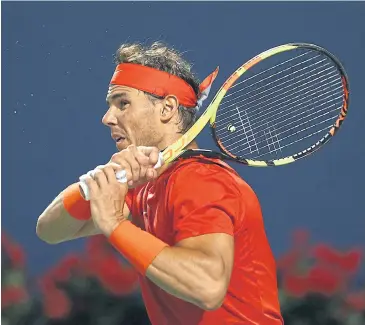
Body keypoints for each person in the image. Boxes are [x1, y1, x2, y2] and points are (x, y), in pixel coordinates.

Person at [36, 41, 284, 325]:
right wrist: (98, 181)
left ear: (167, 109)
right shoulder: (146, 183)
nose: (107, 118)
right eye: (110, 106)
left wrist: (117, 226)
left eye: (123, 103)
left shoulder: (201, 180)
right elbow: (49, 230)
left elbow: (207, 287)